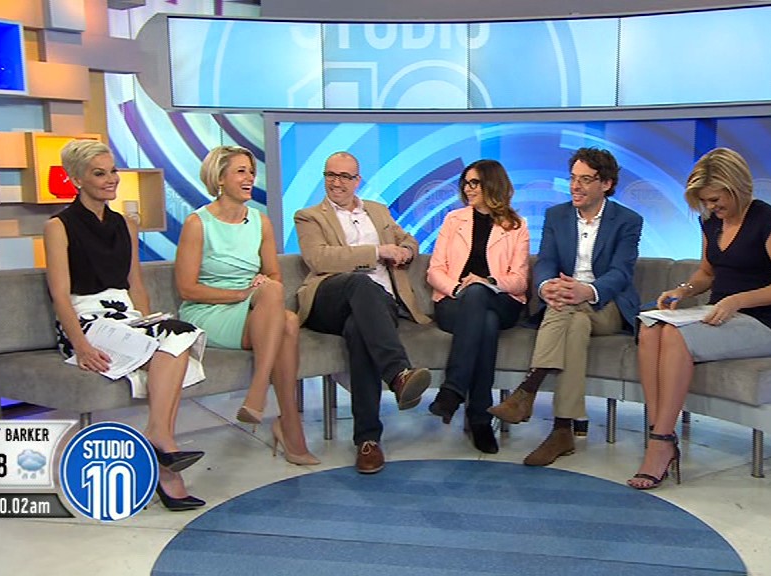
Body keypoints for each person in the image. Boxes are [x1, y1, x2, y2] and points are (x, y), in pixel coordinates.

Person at [44, 139, 207, 511]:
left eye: (113, 171)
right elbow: (60, 294)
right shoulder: (58, 226)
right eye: (99, 173)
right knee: (173, 349)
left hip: (127, 319)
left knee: (179, 336)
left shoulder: (125, 225)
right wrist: (81, 346)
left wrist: (147, 322)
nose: (111, 179)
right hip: (86, 322)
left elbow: (136, 284)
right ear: (77, 179)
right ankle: (165, 460)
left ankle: (159, 439)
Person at [628, 147, 771, 490]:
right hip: (719, 314)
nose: (710, 207)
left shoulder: (770, 222)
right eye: (705, 202)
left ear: (736, 188)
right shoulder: (711, 221)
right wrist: (683, 290)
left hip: (765, 324)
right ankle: (657, 431)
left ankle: (661, 443)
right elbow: (708, 273)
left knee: (675, 336)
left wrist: (739, 300)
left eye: (715, 199)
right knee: (650, 327)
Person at [488, 147, 643, 467]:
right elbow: (546, 261)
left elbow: (621, 272)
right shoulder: (556, 215)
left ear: (606, 184)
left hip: (606, 304)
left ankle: (528, 390)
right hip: (567, 303)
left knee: (571, 309)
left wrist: (587, 290)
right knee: (573, 322)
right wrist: (547, 286)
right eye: (573, 178)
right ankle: (562, 429)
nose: (575, 186)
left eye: (585, 179)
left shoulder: (628, 220)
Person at [175, 146, 318, 466]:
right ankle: (285, 421)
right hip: (209, 309)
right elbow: (187, 288)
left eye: (252, 172)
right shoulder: (197, 223)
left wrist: (259, 286)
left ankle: (264, 397)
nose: (250, 177)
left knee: (281, 306)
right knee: (286, 321)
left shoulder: (260, 222)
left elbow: (274, 275)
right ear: (219, 178)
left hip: (254, 306)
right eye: (241, 171)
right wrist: (240, 295)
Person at [294, 151, 433, 475]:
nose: (336, 182)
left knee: (360, 329)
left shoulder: (377, 211)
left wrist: (405, 251)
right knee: (359, 283)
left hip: (378, 303)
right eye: (331, 175)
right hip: (329, 297)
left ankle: (368, 441)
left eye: (344, 176)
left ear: (357, 181)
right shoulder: (309, 216)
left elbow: (408, 240)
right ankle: (398, 372)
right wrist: (377, 252)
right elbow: (319, 259)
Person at [426, 159, 530, 454]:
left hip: (502, 300)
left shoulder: (517, 226)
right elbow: (434, 271)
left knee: (480, 296)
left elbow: (520, 280)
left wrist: (488, 282)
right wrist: (458, 288)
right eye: (465, 183)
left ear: (492, 185)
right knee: (484, 319)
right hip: (454, 302)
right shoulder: (453, 220)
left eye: (475, 183)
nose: (467, 189)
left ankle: (453, 390)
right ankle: (479, 416)